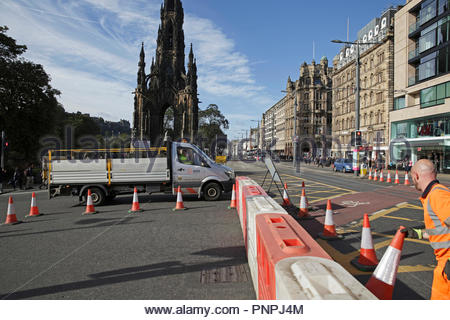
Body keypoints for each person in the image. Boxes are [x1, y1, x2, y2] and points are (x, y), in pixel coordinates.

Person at [401, 159, 449, 299]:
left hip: (446, 265)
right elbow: (440, 232)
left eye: (412, 178)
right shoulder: (434, 194)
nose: (412, 181)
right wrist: (415, 233)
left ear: (416, 176)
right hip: (444, 267)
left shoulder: (437, 195)